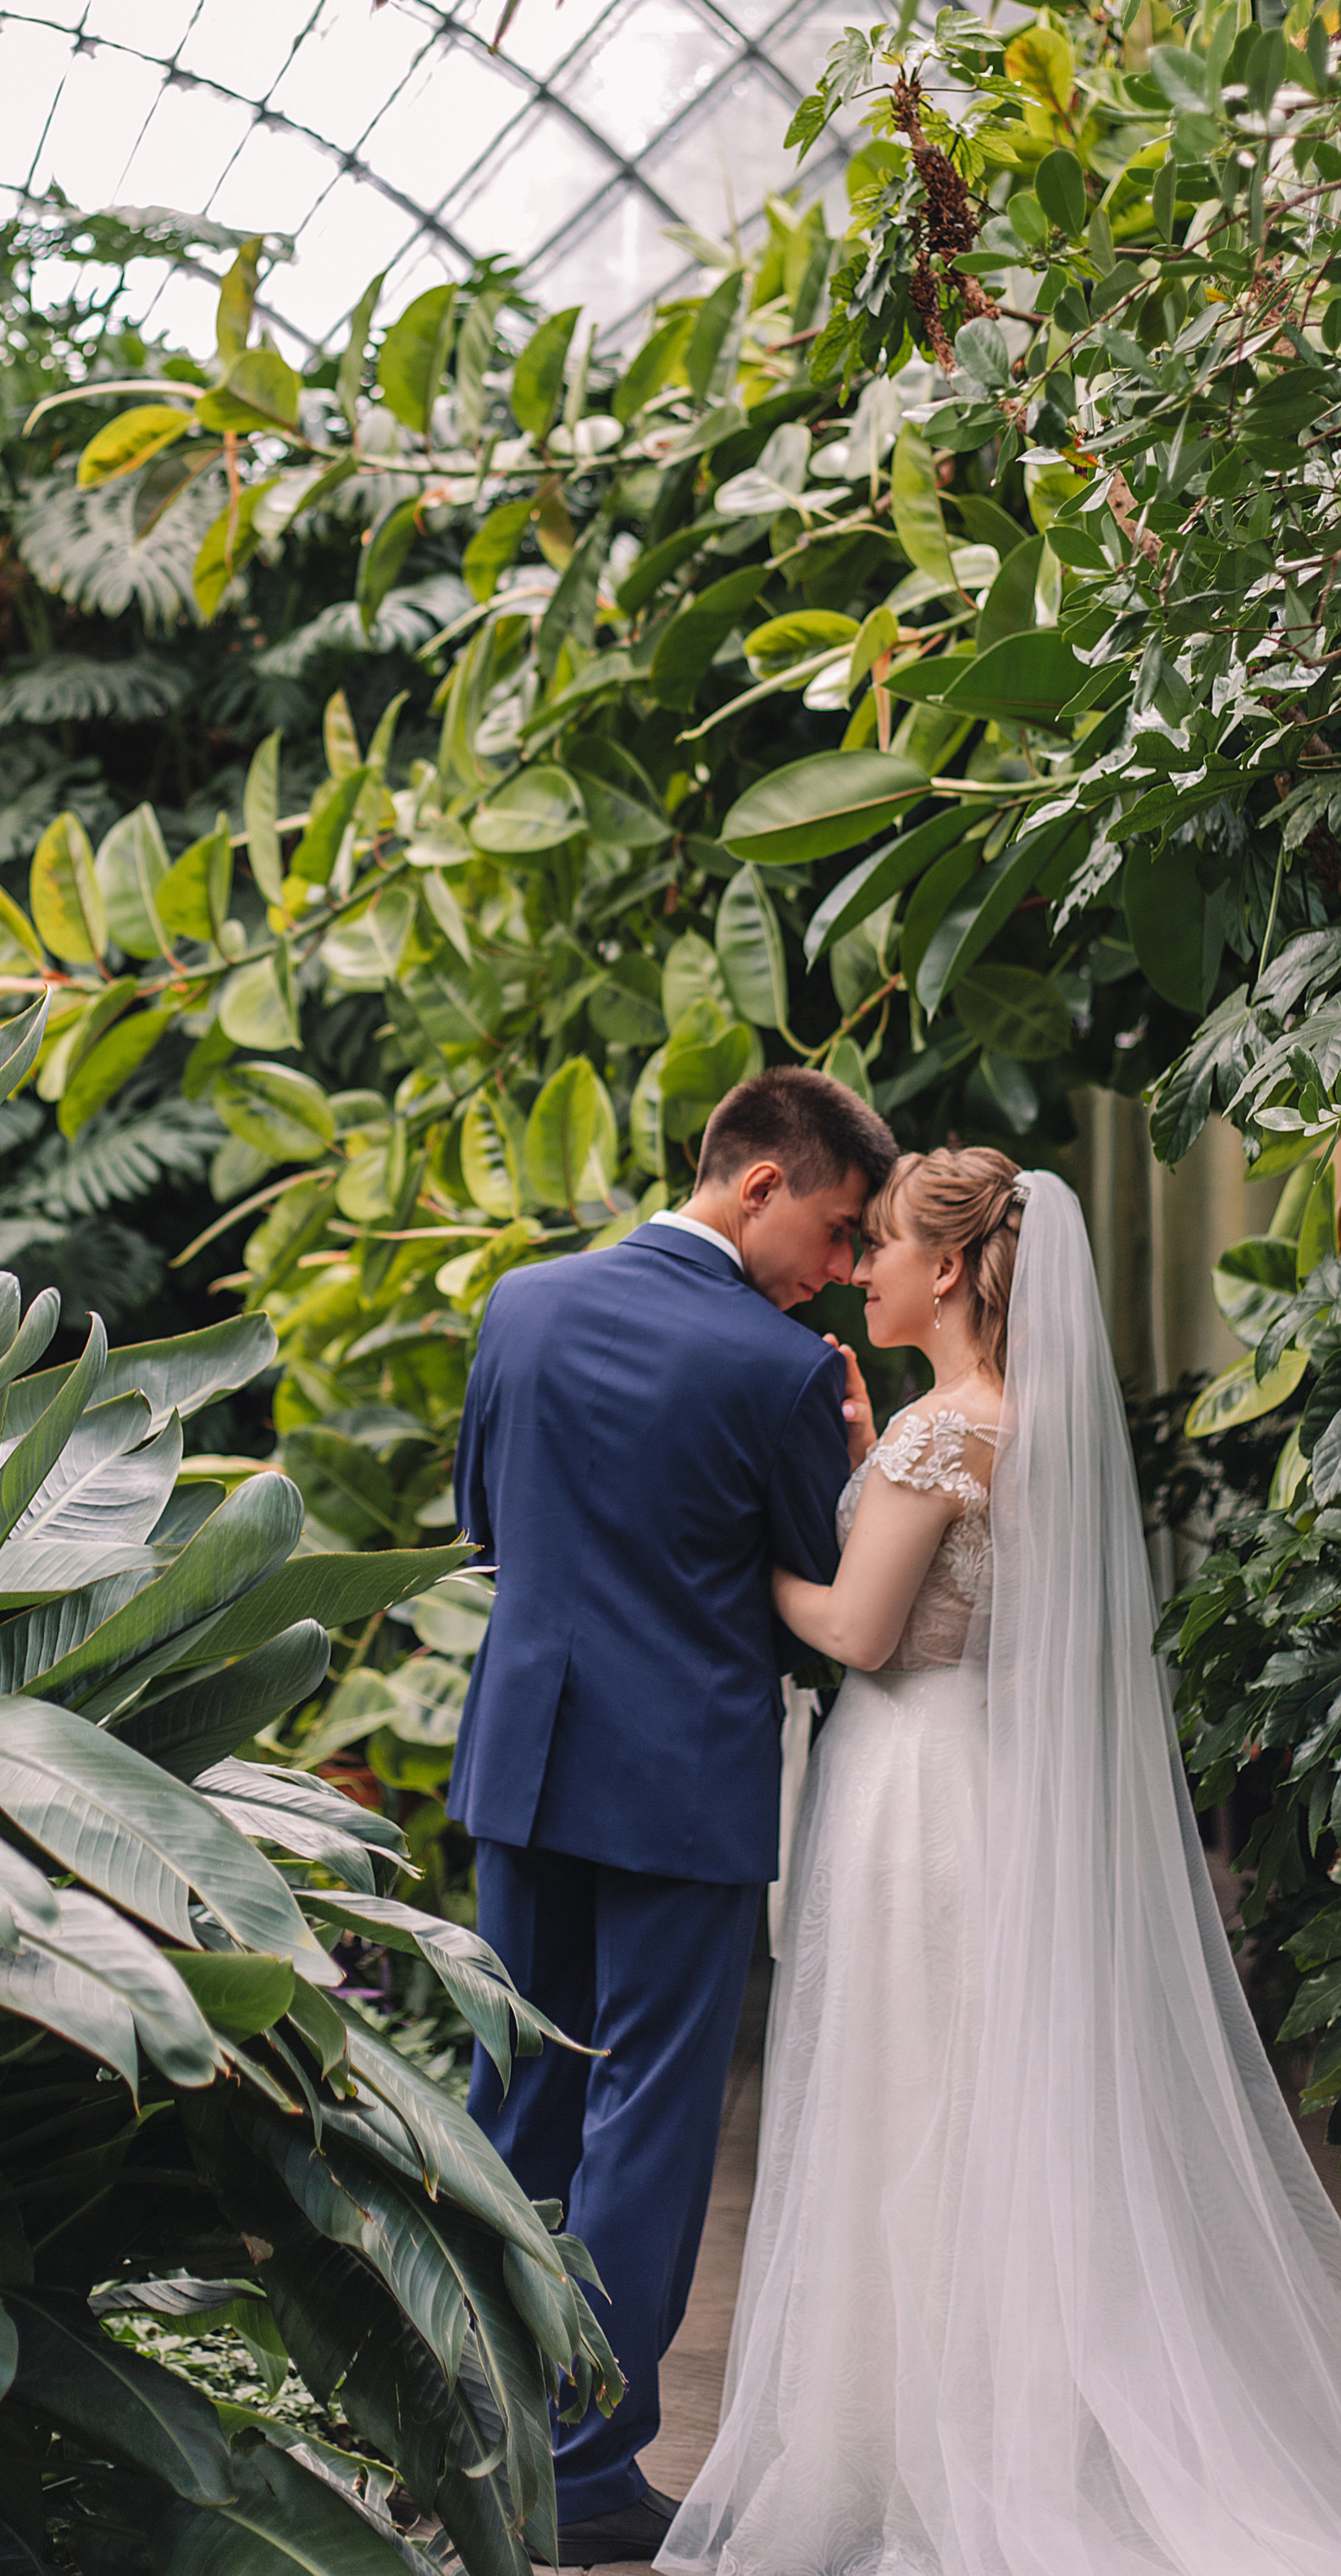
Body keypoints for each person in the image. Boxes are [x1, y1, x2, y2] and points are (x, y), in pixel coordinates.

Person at [662, 1147, 1341, 2576]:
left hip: (918, 1796)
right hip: (986, 1780)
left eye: (878, 1246)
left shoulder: (949, 1435)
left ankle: (919, 2434)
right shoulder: (1023, 1419)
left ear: (947, 1268)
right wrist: (874, 1446)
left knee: (912, 2105)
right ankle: (1007, 2418)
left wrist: (732, 1561)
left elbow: (862, 1632)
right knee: (983, 2110)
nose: (860, 1267)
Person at [448, 1067, 898, 2569]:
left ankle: (478, 2435)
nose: (838, 1270)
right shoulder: (776, 1373)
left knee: (513, 2098)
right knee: (646, 2123)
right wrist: (843, 1461)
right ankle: (585, 2474)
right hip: (683, 1790)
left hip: (525, 1768)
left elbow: (486, 1529)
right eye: (836, 1233)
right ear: (759, 1183)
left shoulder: (520, 1306)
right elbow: (817, 1596)